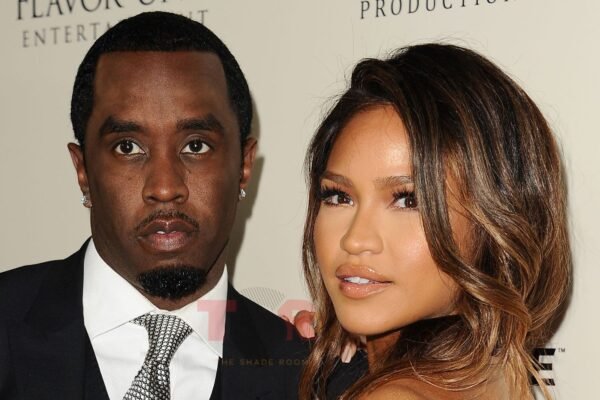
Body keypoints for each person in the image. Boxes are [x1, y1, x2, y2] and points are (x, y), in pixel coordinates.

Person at [0, 11, 359, 400]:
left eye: (196, 146)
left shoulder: (317, 380)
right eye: (127, 147)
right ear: (83, 169)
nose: (165, 188)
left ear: (243, 165)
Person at [299, 44, 572, 399]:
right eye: (338, 196)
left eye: (408, 200)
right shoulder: (497, 375)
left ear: (494, 221)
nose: (355, 239)